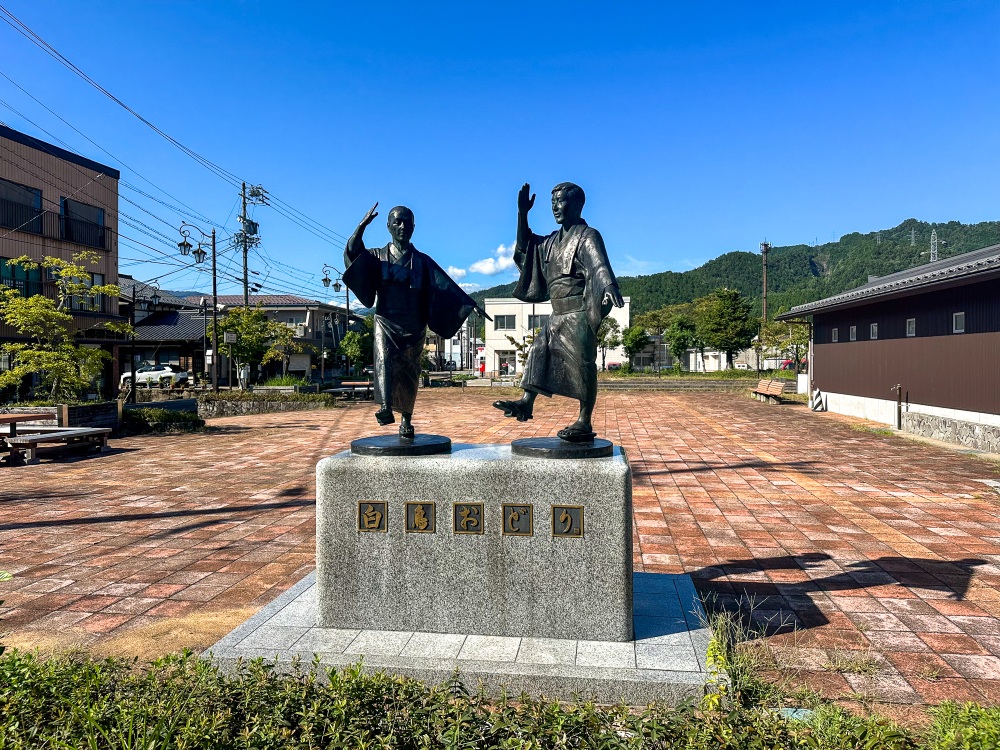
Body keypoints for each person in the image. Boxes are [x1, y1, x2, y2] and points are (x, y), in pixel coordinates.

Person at [493, 182, 624, 442]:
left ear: (576, 205)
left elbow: (599, 266)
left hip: (578, 312)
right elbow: (525, 250)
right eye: (553, 203)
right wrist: (522, 214)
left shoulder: (588, 236)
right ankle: (527, 402)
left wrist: (608, 286)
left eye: (561, 201)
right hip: (556, 314)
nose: (555, 207)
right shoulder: (551, 242)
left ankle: (584, 420)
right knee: (538, 353)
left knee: (582, 366)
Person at [343, 203, 485, 438]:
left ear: (414, 227)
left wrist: (470, 305)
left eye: (407, 222)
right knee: (383, 359)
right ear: (388, 226)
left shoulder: (422, 260)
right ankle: (386, 406)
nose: (402, 226)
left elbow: (446, 287)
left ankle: (406, 419)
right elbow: (353, 253)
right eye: (397, 222)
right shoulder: (377, 256)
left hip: (414, 323)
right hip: (385, 320)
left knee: (410, 372)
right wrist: (360, 228)